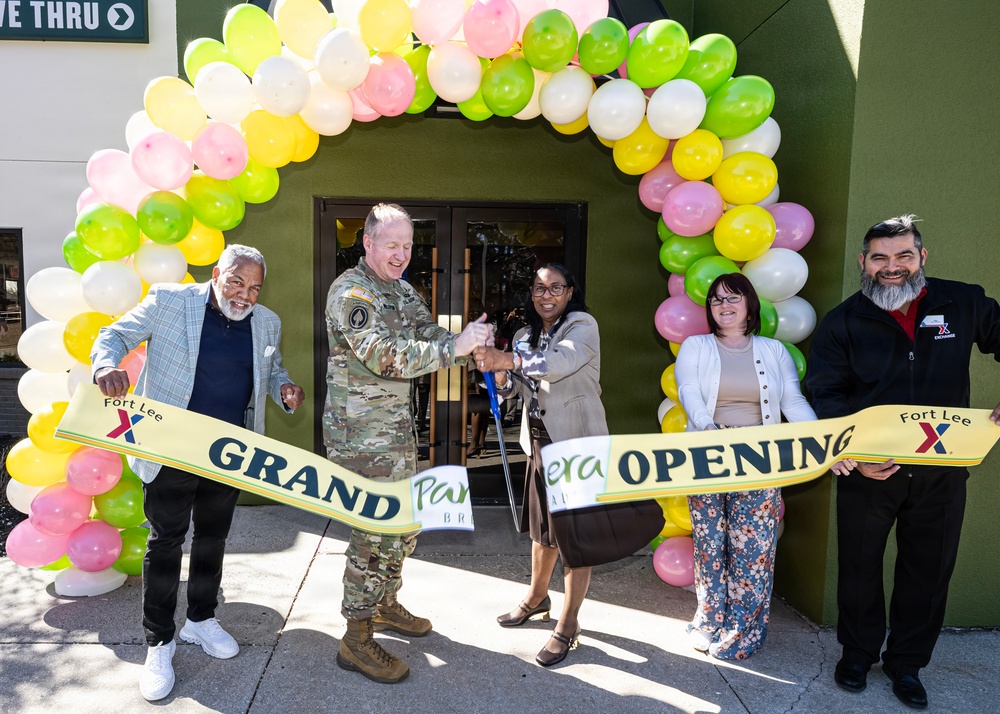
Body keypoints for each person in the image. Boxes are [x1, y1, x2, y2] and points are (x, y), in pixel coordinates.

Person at [91, 244, 304, 702]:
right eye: (236, 282)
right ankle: (159, 642)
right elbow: (114, 335)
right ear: (215, 274)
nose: (245, 295)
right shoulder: (170, 301)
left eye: (254, 287)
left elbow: (270, 367)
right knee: (166, 541)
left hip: (227, 453)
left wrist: (282, 385)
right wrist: (106, 365)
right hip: (170, 447)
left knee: (213, 538)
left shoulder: (267, 321)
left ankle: (201, 621)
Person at [806, 214, 1000, 709]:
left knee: (929, 571)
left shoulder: (964, 302)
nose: (892, 267)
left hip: (942, 471)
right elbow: (825, 394)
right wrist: (848, 452)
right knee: (859, 566)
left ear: (922, 258)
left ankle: (907, 664)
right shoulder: (842, 321)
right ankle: (856, 653)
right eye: (880, 258)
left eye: (903, 256)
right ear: (863, 262)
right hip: (870, 471)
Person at [324, 203, 492, 684]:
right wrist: (451, 350)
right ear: (369, 243)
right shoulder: (352, 292)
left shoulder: (399, 290)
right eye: (392, 245)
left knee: (403, 527)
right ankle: (355, 638)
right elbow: (382, 355)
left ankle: (384, 605)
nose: (401, 254)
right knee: (372, 534)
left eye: (407, 246)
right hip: (360, 438)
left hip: (395, 433)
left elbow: (425, 332)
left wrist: (464, 340)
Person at [473, 263, 664, 667]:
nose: (546, 295)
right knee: (543, 532)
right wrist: (494, 371)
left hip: (577, 448)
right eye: (539, 288)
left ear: (569, 292)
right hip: (540, 445)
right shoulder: (525, 335)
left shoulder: (582, 325)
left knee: (577, 537)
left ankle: (568, 623)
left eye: (555, 288)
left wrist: (506, 358)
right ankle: (536, 597)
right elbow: (513, 392)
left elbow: (558, 363)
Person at [674, 273, 816, 660]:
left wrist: (822, 439)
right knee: (708, 543)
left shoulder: (774, 350)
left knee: (752, 548)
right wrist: (708, 427)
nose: (724, 305)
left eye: (733, 298)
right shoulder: (696, 346)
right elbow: (688, 389)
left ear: (749, 305)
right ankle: (708, 620)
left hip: (759, 457)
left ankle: (743, 628)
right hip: (706, 454)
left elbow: (794, 402)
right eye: (717, 300)